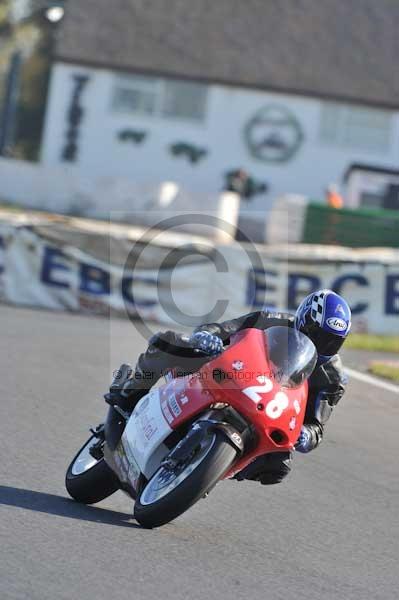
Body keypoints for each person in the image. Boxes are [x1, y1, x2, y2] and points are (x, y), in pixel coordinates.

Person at [106, 289, 351, 486]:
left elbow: (317, 424)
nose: (322, 345)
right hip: (226, 374)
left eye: (333, 341)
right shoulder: (271, 320)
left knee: (279, 466)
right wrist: (208, 336)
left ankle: (211, 470)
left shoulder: (333, 378)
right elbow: (224, 328)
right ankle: (128, 392)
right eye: (317, 334)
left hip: (267, 412)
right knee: (169, 343)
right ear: (304, 319)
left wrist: (308, 434)